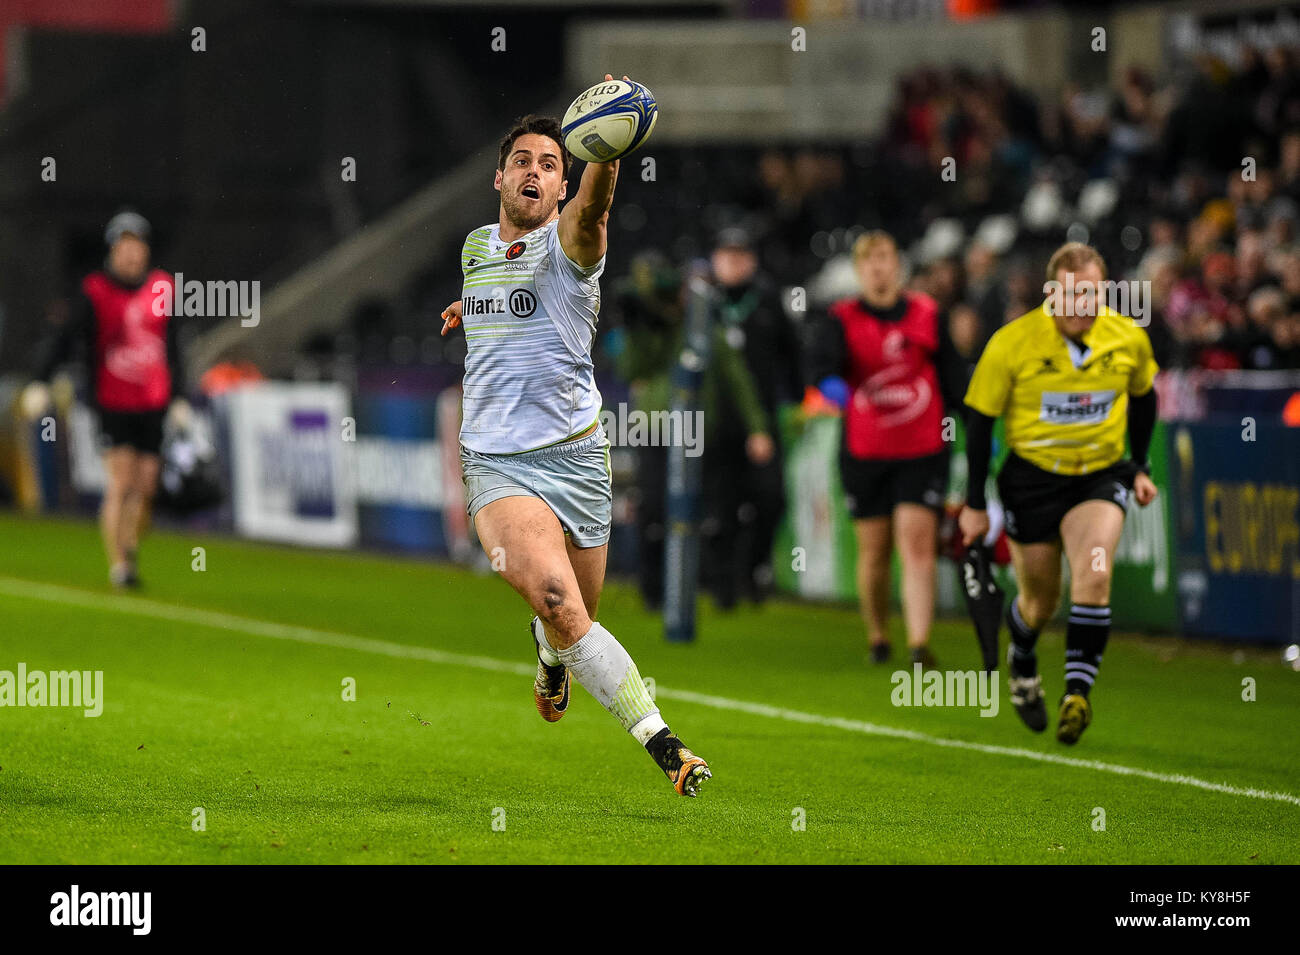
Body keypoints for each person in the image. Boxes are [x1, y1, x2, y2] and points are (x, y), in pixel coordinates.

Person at [438, 87, 711, 796]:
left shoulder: (574, 242)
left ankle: (549, 654)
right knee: (559, 597)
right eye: (521, 160)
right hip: (496, 461)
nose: (534, 170)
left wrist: (606, 155)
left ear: (563, 183)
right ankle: (664, 742)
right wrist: (468, 306)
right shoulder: (475, 247)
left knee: (573, 620)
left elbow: (594, 210)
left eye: (551, 163)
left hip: (577, 460)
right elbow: (500, 285)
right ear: (498, 178)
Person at [958, 241, 1159, 745]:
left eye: (1090, 295)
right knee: (1040, 602)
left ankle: (1077, 695)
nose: (1081, 307)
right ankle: (1022, 657)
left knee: (1094, 573)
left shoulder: (1128, 338)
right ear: (1052, 294)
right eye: (1071, 296)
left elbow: (1144, 397)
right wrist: (975, 503)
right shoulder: (1012, 343)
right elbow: (979, 423)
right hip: (1032, 479)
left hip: (1099, 474)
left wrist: (1139, 466)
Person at [804, 232, 967, 667]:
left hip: (922, 446)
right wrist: (838, 392)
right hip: (865, 448)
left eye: (885, 259)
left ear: (898, 266)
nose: (878, 268)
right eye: (869, 261)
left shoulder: (929, 314)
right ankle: (878, 635)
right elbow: (821, 369)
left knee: (917, 544)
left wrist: (970, 416)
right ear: (859, 270)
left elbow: (954, 375)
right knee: (874, 551)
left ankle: (918, 643)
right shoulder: (841, 318)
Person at [24, 211, 188, 589]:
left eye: (138, 246)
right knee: (121, 480)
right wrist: (41, 381)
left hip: (153, 399)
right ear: (113, 252)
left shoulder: (162, 288)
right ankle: (120, 566)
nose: (132, 255)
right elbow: (64, 339)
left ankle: (129, 543)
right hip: (112, 400)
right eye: (124, 247)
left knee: (146, 485)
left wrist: (179, 396)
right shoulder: (95, 291)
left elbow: (174, 347)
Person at [710, 227, 800, 603]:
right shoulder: (704, 302)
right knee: (720, 507)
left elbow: (792, 355)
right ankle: (724, 587)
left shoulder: (767, 300)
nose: (733, 262)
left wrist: (798, 397)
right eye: (726, 254)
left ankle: (753, 567)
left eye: (740, 254)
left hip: (760, 421)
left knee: (771, 499)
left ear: (752, 260)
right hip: (715, 422)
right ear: (715, 260)